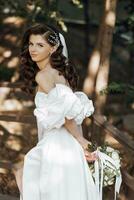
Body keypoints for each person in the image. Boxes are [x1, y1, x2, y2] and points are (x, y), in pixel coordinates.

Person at [14, 23, 98, 200]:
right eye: (31, 44)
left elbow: (66, 112)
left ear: (53, 48)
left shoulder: (44, 75)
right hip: (64, 141)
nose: (33, 49)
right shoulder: (58, 73)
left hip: (58, 143)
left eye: (40, 45)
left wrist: (82, 141)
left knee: (35, 181)